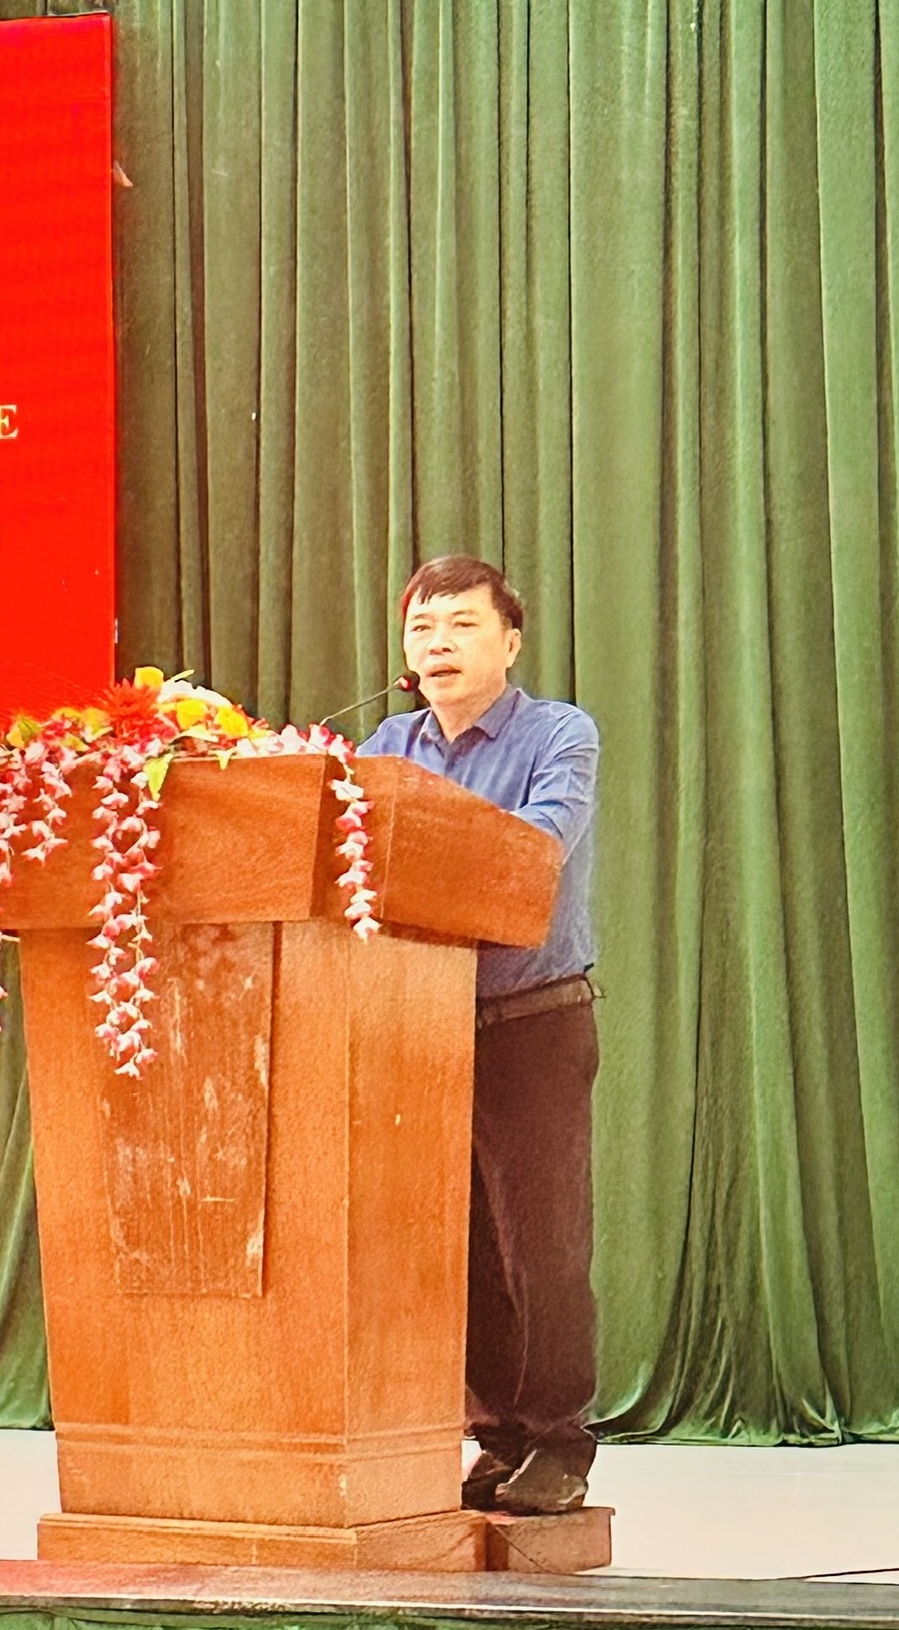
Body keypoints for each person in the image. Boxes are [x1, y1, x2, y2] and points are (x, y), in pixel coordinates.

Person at [357, 555, 600, 1518]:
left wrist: (413, 850)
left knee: (542, 1246)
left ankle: (560, 1441)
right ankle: (497, 1436)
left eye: (461, 624)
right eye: (422, 628)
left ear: (511, 641)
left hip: (532, 1021)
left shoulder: (559, 734)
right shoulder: (387, 744)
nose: (438, 644)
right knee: (459, 1248)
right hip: (420, 1028)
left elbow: (534, 849)